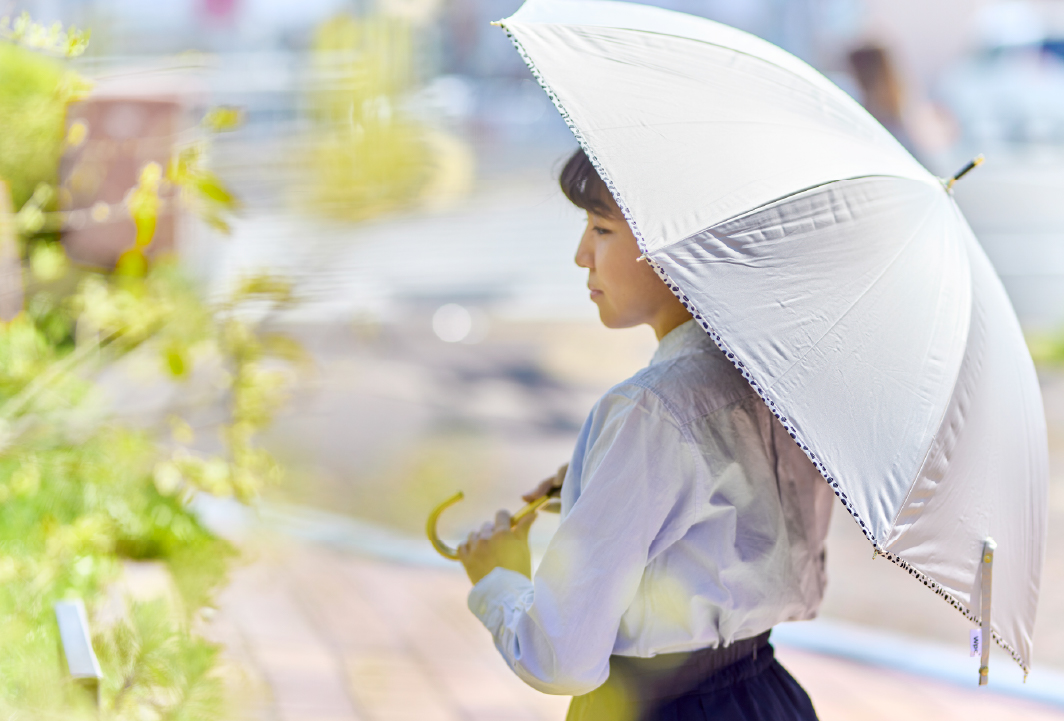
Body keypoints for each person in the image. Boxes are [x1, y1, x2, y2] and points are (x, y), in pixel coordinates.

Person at [457, 148, 834, 721]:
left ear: (676, 247)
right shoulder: (778, 381)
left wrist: (498, 579)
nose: (582, 254)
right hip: (767, 697)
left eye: (602, 228)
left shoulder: (651, 411)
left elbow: (560, 655)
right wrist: (597, 486)